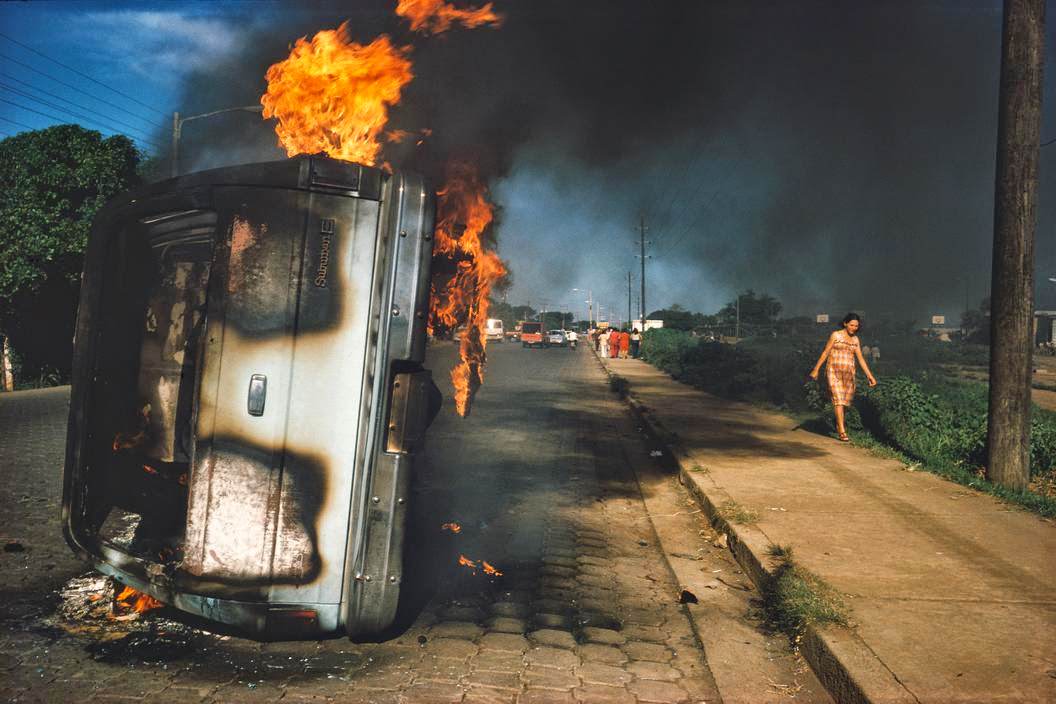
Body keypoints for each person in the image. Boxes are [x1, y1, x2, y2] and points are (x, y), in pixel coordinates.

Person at [809, 313, 878, 442]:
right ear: (845, 323)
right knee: (839, 400)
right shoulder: (836, 335)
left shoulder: (855, 340)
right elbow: (826, 352)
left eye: (856, 326)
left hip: (849, 374)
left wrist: (870, 376)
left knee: (845, 402)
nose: (854, 328)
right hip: (833, 372)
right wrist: (816, 369)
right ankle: (842, 430)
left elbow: (860, 359)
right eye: (851, 325)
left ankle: (839, 424)